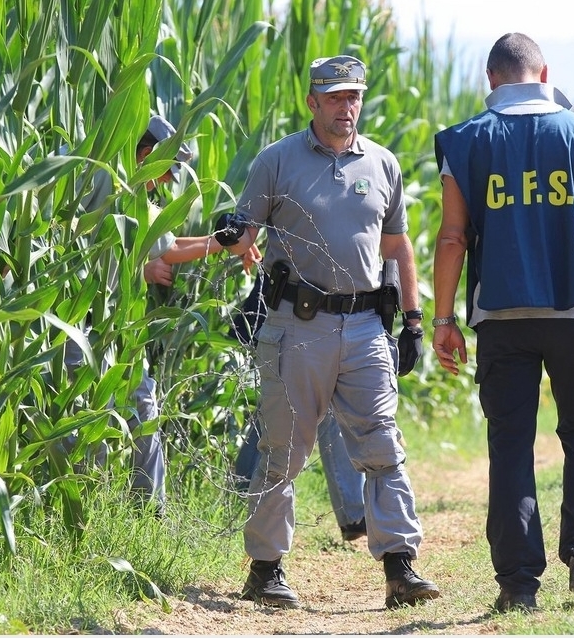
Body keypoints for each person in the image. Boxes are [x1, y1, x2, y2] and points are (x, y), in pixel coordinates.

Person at [215, 54, 438, 610]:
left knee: (382, 444)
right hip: (297, 326)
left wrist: (413, 322)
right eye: (335, 97)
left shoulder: (383, 163)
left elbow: (397, 246)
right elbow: (245, 235)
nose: (346, 107)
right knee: (282, 451)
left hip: (365, 327)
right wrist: (230, 234)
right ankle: (265, 570)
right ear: (312, 102)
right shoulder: (277, 161)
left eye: (354, 96)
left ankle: (400, 567)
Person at [431, 33, 574, 613]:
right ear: (544, 73)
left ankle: (519, 585)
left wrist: (443, 319)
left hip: (502, 317)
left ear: (491, 79)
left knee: (511, 445)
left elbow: (452, 237)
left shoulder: (465, 140)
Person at [65, 115, 259, 513]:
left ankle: (149, 511)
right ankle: (81, 508)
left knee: (142, 401)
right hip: (75, 319)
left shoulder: (129, 189)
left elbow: (165, 242)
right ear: (144, 155)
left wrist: (224, 242)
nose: (168, 181)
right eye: (166, 170)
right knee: (88, 410)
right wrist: (225, 244)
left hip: (110, 322)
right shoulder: (106, 179)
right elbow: (169, 250)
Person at [230, 275, 368, 541]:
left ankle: (354, 513)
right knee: (279, 410)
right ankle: (247, 493)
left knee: (282, 408)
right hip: (284, 310)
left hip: (310, 315)